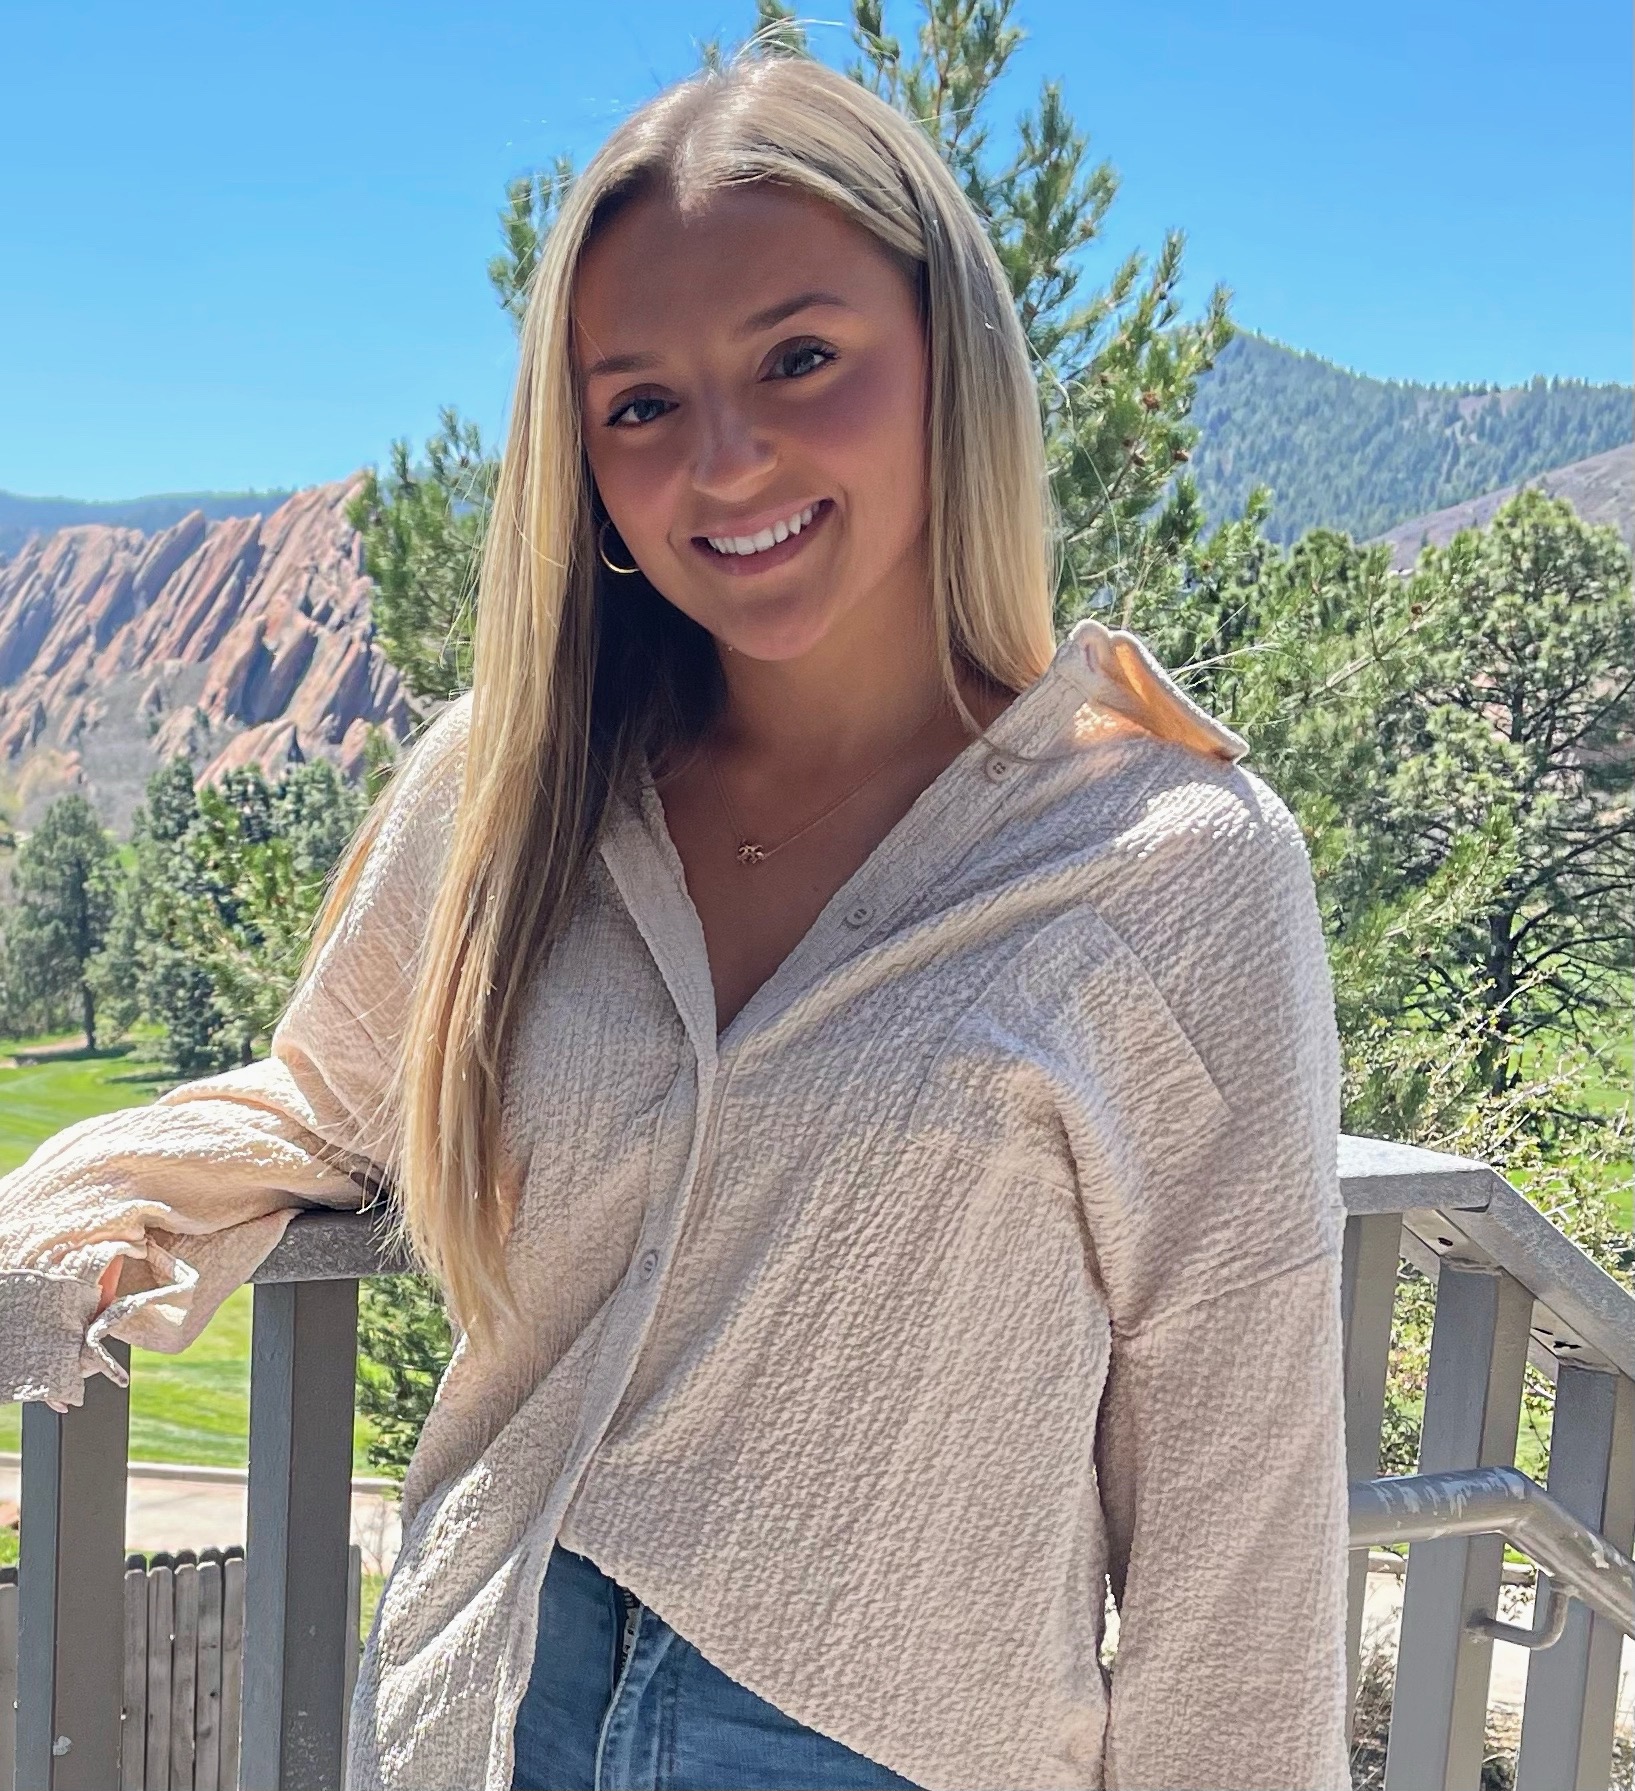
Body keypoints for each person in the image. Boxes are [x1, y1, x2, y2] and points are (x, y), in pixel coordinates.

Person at [0, 49, 1351, 1791]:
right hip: (481, 1706)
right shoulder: (514, 785)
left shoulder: (1172, 864)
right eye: (638, 403)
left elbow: (1241, 1499)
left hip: (890, 1748)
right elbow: (322, 1103)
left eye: (802, 358)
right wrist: (75, 1221)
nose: (725, 462)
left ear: (951, 359)